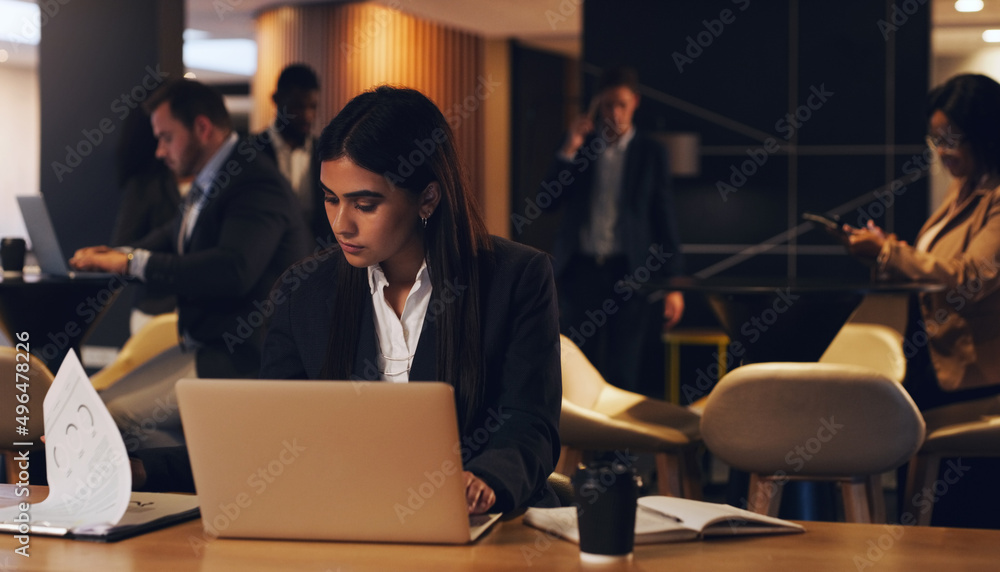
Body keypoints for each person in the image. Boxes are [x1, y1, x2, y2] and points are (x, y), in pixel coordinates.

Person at [260, 86, 562, 515]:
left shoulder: (515, 279)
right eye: (331, 199)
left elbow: (529, 423)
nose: (341, 225)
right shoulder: (303, 291)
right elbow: (270, 435)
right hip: (348, 519)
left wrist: (487, 479)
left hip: (481, 526)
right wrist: (147, 469)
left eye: (364, 204)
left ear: (428, 198)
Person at [69, 79, 311, 448]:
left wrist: (132, 263)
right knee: (99, 406)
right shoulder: (213, 179)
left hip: (242, 358)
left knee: (110, 418)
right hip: (207, 346)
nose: (159, 151)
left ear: (202, 128)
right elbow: (171, 236)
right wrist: (114, 256)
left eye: (166, 137)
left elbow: (232, 271)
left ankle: (195, 479)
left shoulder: (254, 181)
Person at [844, 74, 1000, 528]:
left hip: (975, 375)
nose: (943, 151)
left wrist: (892, 253)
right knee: (924, 488)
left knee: (963, 503)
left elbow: (971, 277)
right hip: (934, 356)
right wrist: (887, 254)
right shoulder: (966, 187)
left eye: (952, 139)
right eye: (937, 139)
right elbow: (937, 265)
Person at [544, 66, 684, 394]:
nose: (615, 113)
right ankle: (582, 445)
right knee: (578, 369)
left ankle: (620, 446)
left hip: (630, 274)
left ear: (634, 102)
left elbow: (665, 218)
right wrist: (569, 147)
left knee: (624, 370)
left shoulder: (651, 153)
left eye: (621, 104)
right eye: (607, 105)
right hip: (581, 274)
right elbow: (547, 201)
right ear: (597, 106)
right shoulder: (580, 150)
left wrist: (674, 284)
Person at [110, 108, 184, 333]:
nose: (163, 150)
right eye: (163, 138)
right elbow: (123, 247)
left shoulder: (213, 182)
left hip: (201, 315)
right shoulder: (145, 187)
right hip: (156, 312)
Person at [253, 63, 328, 242]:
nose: (308, 116)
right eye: (298, 107)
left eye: (313, 107)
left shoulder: (326, 152)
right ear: (276, 99)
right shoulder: (251, 151)